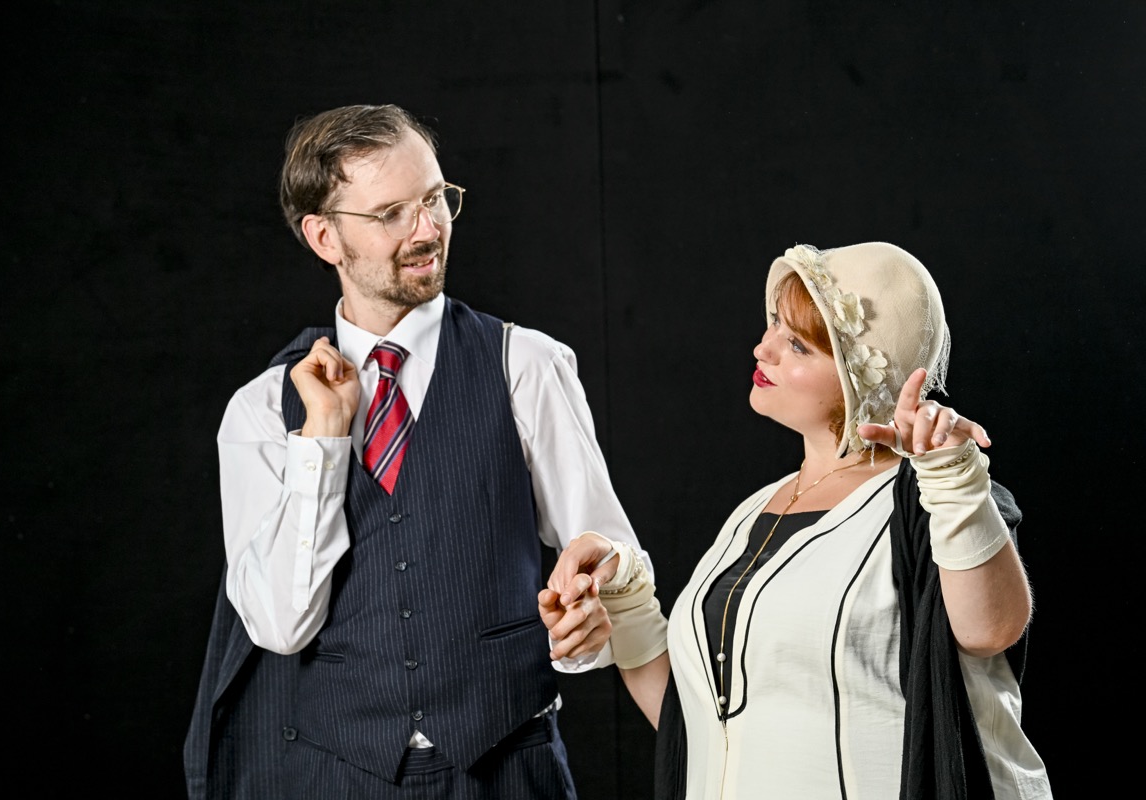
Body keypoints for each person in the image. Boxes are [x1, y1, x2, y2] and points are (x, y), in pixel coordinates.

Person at [183, 103, 668, 799]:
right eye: (390, 214)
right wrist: (323, 442)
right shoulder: (261, 411)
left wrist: (589, 614)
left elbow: (612, 566)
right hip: (332, 778)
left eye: (435, 199)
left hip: (509, 771)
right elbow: (280, 625)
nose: (428, 230)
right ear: (324, 237)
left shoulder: (526, 365)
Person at [545, 242, 1053, 798]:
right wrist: (621, 596)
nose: (762, 349)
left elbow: (991, 630)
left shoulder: (934, 503)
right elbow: (699, 722)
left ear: (861, 376)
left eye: (797, 345)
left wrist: (954, 479)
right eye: (773, 325)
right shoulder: (752, 512)